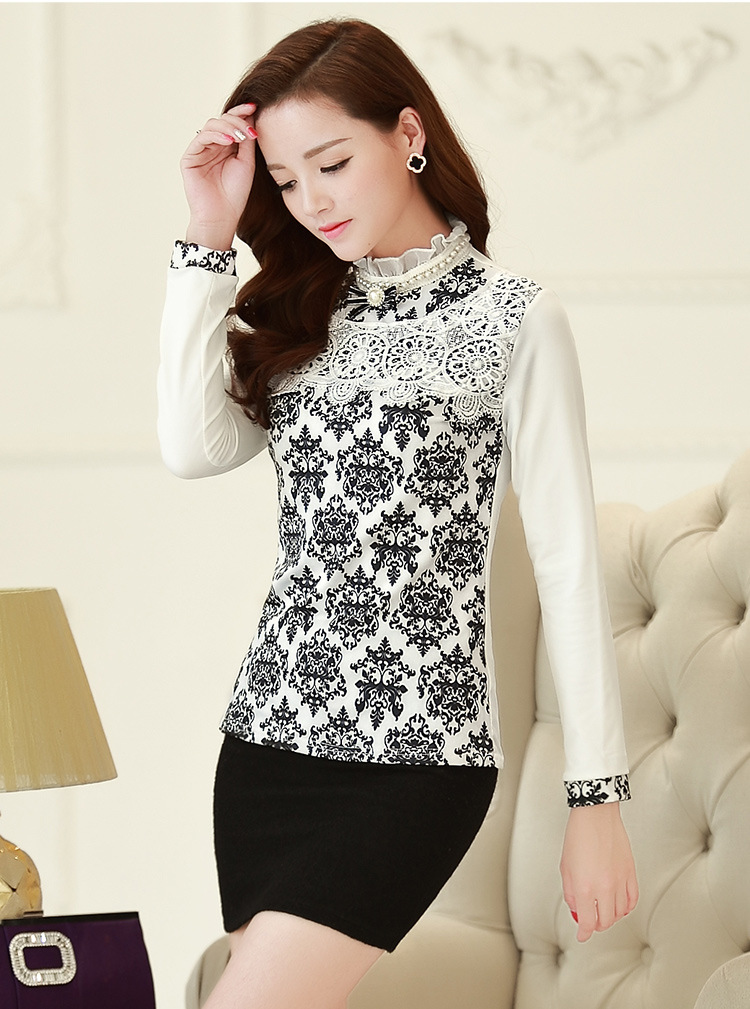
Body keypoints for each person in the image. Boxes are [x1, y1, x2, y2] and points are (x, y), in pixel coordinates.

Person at [158, 17, 638, 1009]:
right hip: (267, 743)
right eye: (287, 180)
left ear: (407, 133)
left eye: (332, 163)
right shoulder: (302, 308)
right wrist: (207, 236)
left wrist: (596, 797)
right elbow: (193, 447)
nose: (312, 200)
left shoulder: (514, 317)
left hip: (416, 759)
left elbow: (567, 562)